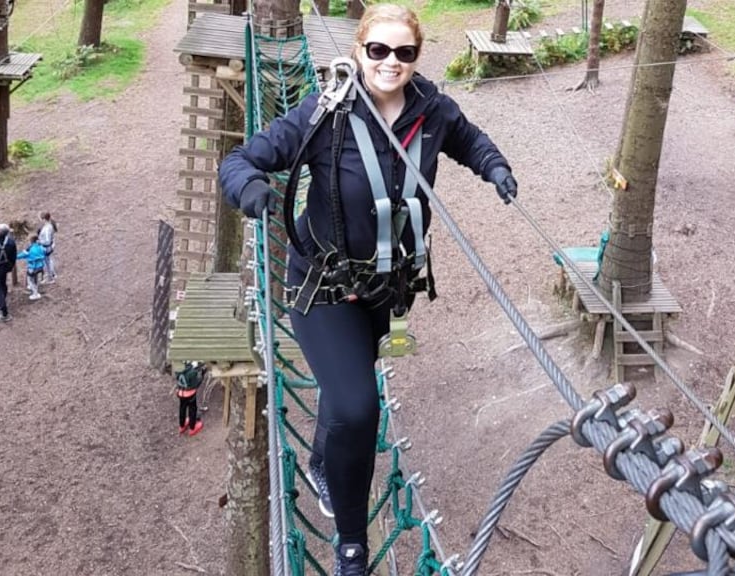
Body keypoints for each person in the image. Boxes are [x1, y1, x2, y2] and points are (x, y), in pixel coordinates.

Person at [219, 5, 517, 574]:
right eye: (378, 50)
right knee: (359, 407)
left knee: (347, 387)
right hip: (321, 287)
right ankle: (351, 544)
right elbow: (242, 158)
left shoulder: (432, 111)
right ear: (360, 50)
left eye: (404, 53)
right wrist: (250, 190)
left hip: (386, 289)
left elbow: (471, 141)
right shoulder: (326, 111)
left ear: (415, 58)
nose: (390, 62)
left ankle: (322, 461)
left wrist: (496, 169)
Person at [175, 362, 205, 436]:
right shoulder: (192, 372)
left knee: (182, 408)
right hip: (190, 394)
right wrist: (202, 375)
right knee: (192, 409)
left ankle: (182, 425)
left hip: (181, 392)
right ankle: (192, 427)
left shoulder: (178, 368)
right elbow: (196, 384)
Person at [17, 235, 47, 300]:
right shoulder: (41, 247)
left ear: (31, 241)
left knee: (31, 280)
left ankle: (35, 294)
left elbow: (22, 255)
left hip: (33, 267)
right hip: (41, 266)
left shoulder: (30, 249)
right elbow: (44, 252)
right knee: (35, 279)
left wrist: (14, 256)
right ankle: (33, 288)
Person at [37, 211, 58, 283]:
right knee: (48, 261)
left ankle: (50, 277)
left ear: (43, 219)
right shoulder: (49, 226)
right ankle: (50, 275)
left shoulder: (47, 228)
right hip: (48, 247)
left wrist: (39, 242)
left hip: (46, 247)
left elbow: (47, 240)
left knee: (47, 263)